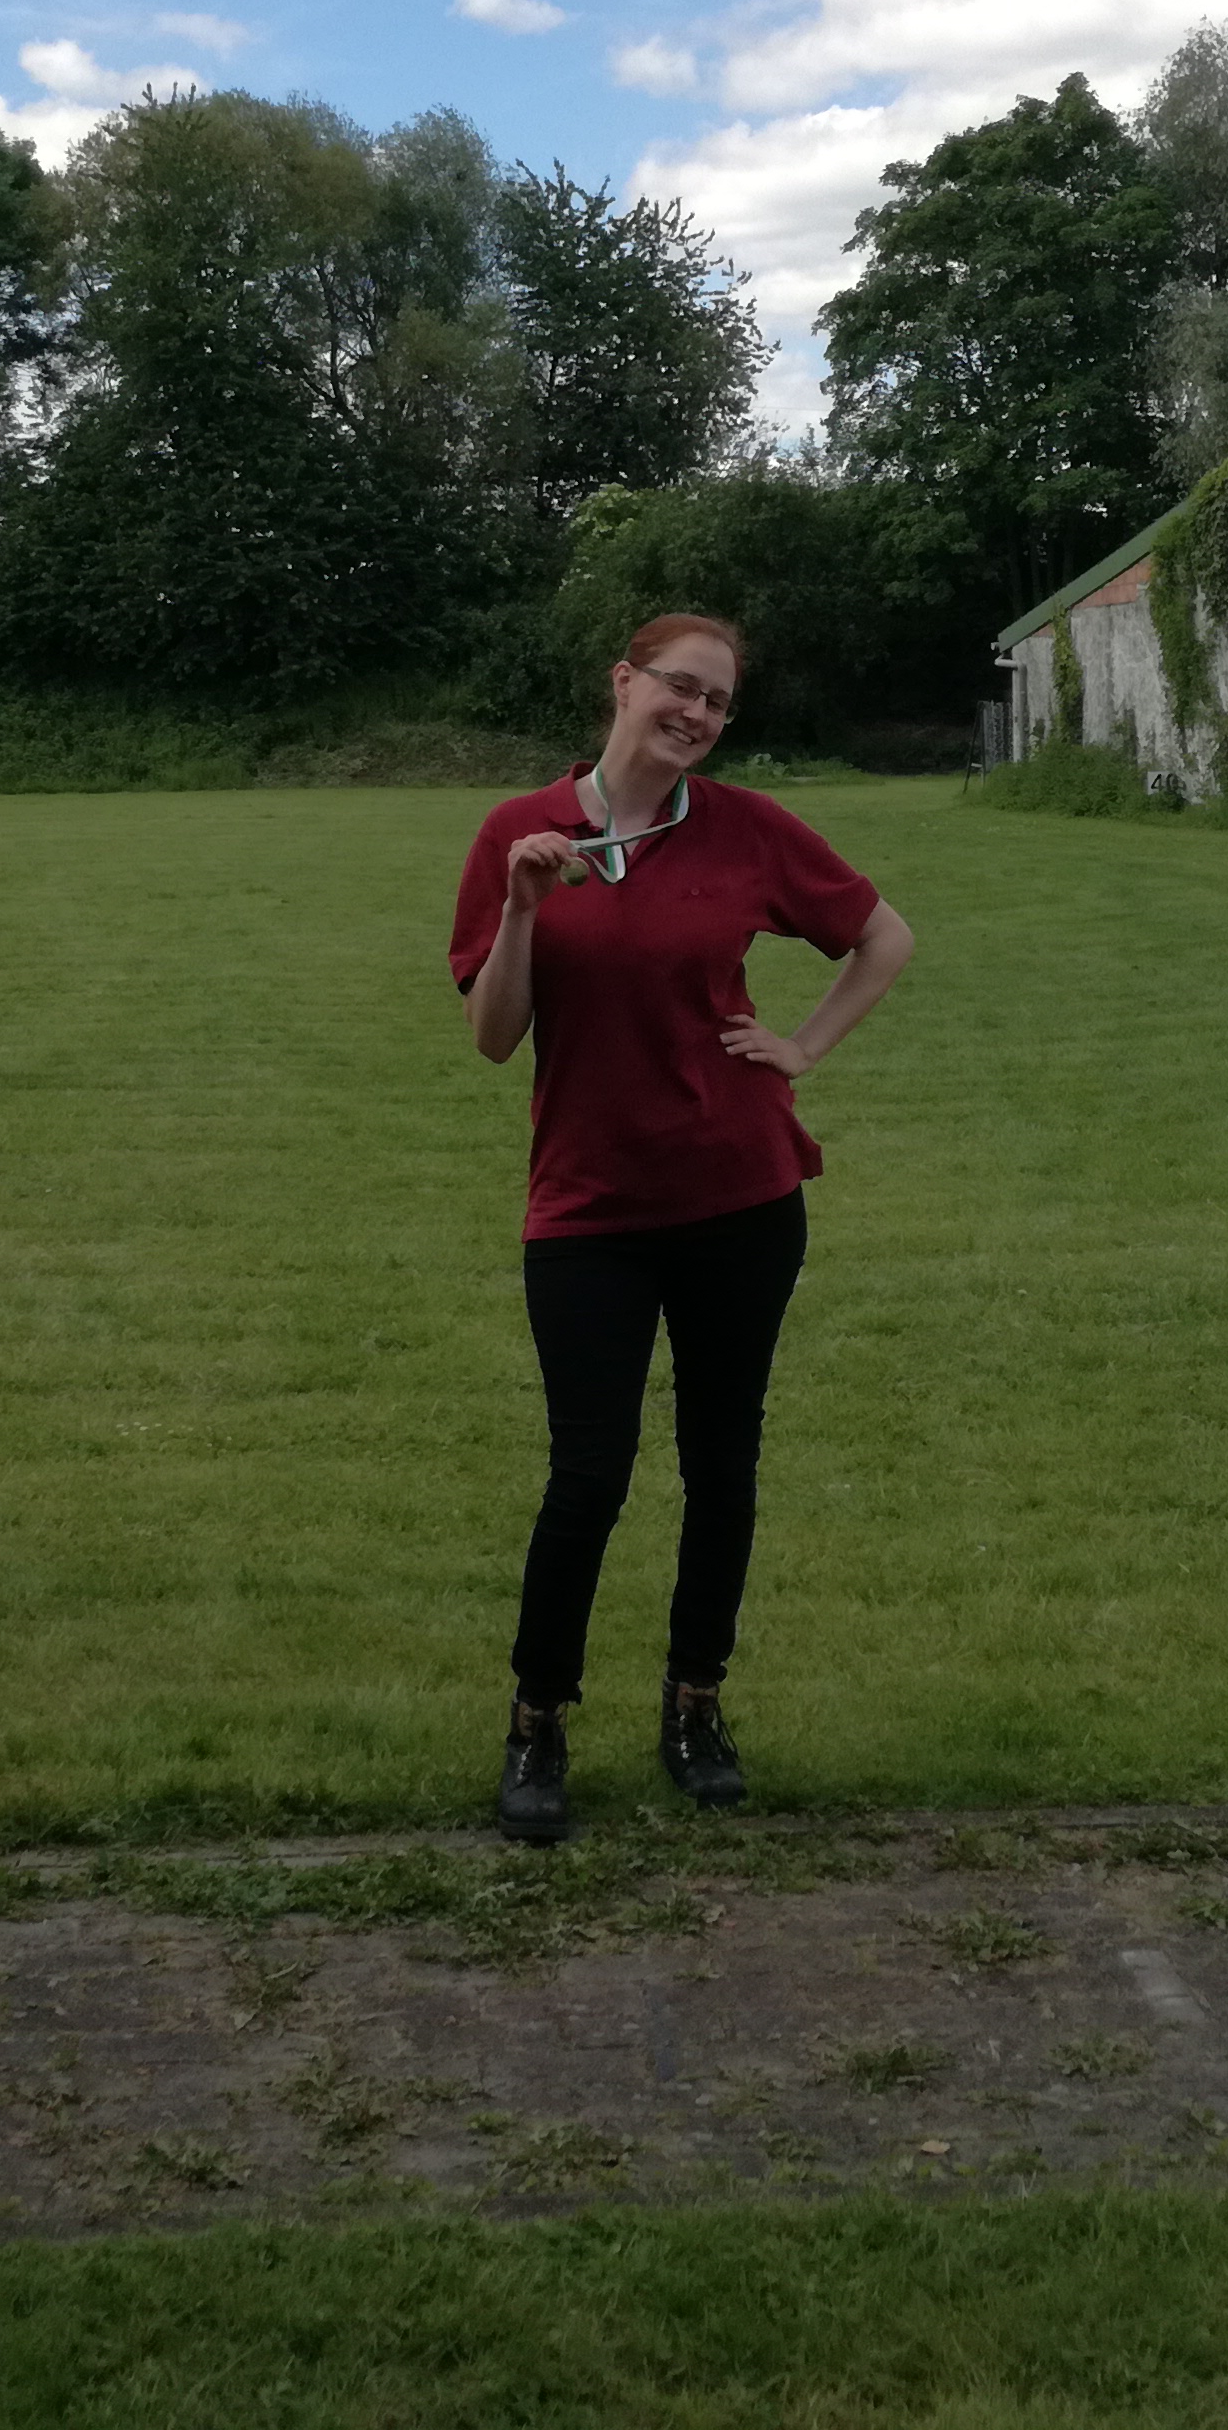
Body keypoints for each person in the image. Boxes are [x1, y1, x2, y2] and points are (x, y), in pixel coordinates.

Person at [447, 614, 914, 1845]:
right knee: (586, 1476)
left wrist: (801, 1046)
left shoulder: (745, 829)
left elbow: (884, 936)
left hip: (738, 1199)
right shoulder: (517, 834)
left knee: (721, 1465)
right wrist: (521, 908)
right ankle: (536, 1724)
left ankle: (695, 1705)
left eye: (716, 702)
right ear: (623, 681)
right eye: (679, 688)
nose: (696, 715)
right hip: (588, 1209)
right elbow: (493, 1038)